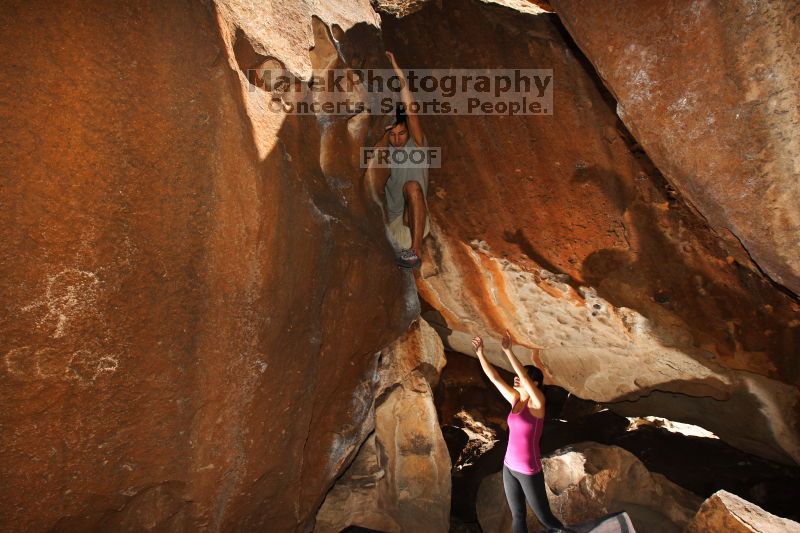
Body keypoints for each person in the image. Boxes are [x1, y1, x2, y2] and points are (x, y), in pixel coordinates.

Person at [471, 330, 566, 533]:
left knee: (546, 518)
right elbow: (495, 378)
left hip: (528, 471)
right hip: (509, 467)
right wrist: (480, 353)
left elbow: (523, 375)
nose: (517, 378)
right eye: (517, 376)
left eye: (524, 377)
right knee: (518, 516)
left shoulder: (538, 404)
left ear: (536, 384)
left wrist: (508, 351)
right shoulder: (515, 400)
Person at [367, 50, 431, 269]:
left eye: (401, 133)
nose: (396, 139)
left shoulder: (418, 145)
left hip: (414, 224)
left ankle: (415, 252)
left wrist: (397, 71)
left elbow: (411, 112)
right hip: (394, 225)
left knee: (413, 187)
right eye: (392, 135)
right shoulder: (386, 153)